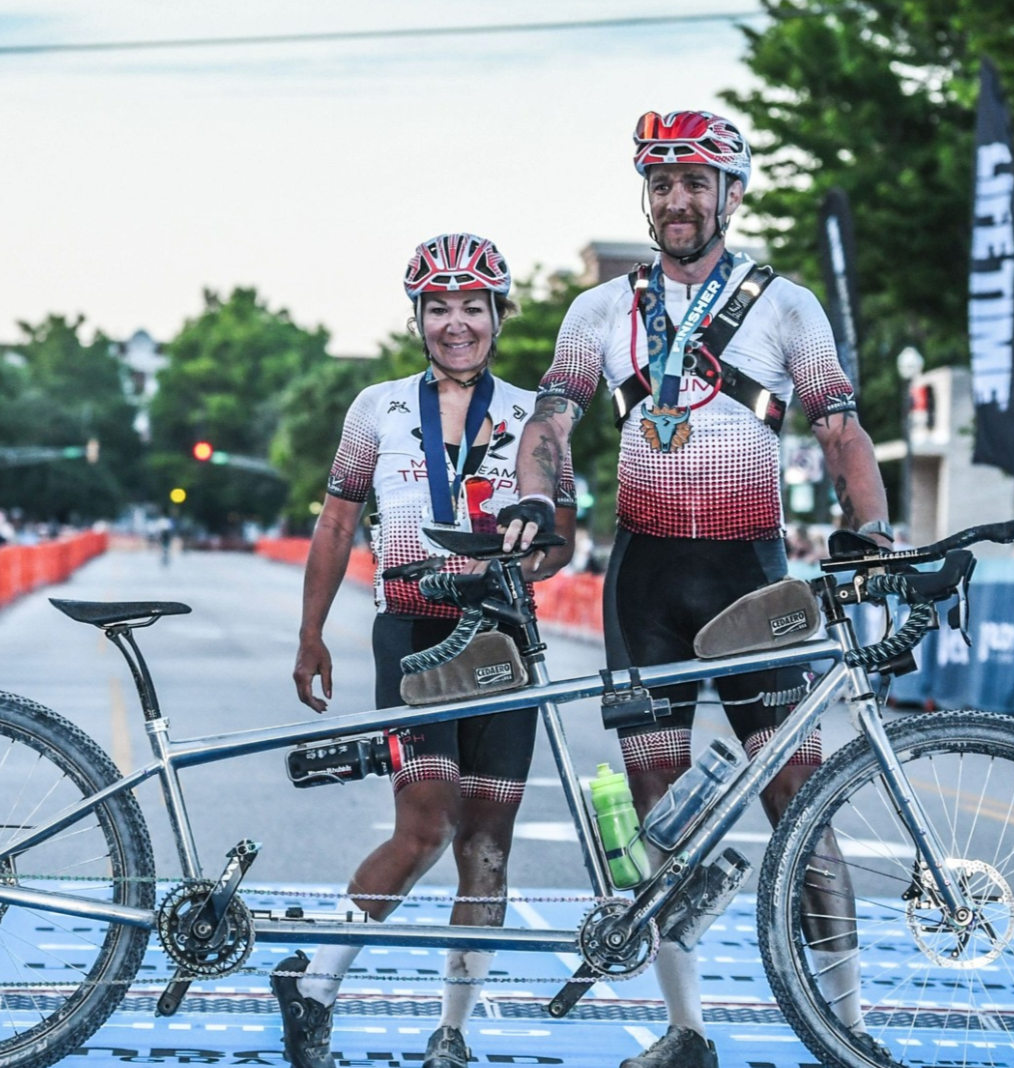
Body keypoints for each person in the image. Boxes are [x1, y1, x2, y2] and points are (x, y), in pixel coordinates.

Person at [500, 111, 892, 1068]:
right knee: (655, 815)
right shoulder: (600, 311)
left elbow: (842, 430)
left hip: (749, 579)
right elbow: (551, 422)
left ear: (732, 194)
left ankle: (853, 1026)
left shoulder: (787, 306)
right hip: (644, 584)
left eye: (696, 183)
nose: (677, 200)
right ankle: (688, 1032)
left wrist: (873, 529)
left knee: (801, 807)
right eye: (661, 183)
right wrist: (536, 500)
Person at [277, 233, 576, 1068]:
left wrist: (533, 545)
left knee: (488, 844)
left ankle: (453, 1031)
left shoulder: (535, 416)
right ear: (417, 318)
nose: (456, 324)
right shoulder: (376, 407)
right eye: (438, 307)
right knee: (426, 825)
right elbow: (337, 522)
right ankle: (316, 986)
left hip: (505, 642)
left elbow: (565, 541)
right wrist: (310, 634)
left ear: (498, 317)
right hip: (410, 632)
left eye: (472, 307)